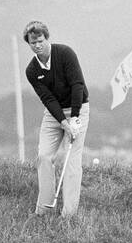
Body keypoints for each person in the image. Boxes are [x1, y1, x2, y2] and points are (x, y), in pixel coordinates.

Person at [24, 21, 89, 218]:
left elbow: (77, 85)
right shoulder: (32, 71)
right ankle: (43, 210)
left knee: (71, 159)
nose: (37, 45)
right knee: (44, 156)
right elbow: (48, 99)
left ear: (46, 38)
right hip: (54, 114)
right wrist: (63, 122)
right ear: (29, 43)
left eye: (40, 40)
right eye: (32, 42)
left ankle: (68, 214)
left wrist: (74, 118)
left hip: (79, 109)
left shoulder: (65, 53)